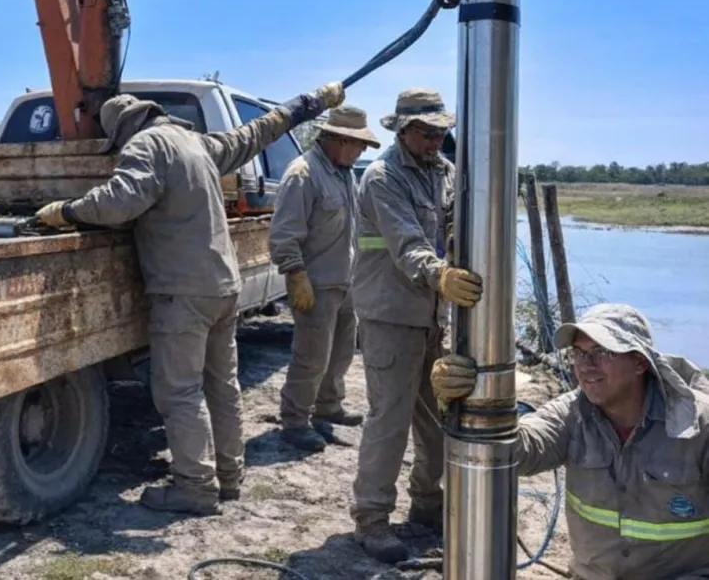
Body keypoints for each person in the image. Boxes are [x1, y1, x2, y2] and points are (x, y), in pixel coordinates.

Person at [34, 82, 345, 517]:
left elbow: (120, 202)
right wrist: (306, 104)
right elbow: (253, 134)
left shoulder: (146, 145)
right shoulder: (197, 143)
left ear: (123, 130)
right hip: (223, 286)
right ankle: (229, 475)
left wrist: (67, 211)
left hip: (182, 292)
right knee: (222, 385)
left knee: (179, 391)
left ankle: (195, 486)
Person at [431, 302, 709, 580]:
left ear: (640, 362)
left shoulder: (698, 425)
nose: (586, 366)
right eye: (579, 353)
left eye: (601, 352)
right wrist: (467, 406)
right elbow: (519, 450)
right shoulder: (571, 415)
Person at [348, 87, 484, 564]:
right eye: (427, 134)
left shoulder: (442, 172)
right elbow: (407, 243)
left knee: (434, 418)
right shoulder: (383, 177)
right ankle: (371, 519)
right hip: (390, 314)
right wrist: (441, 274)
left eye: (441, 134)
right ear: (403, 130)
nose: (435, 142)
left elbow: (452, 224)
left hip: (430, 316)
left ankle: (428, 504)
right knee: (389, 419)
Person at [269, 105, 381, 452]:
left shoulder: (344, 174)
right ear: (340, 139)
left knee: (341, 352)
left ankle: (328, 406)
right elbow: (284, 233)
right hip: (315, 284)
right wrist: (295, 273)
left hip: (345, 280)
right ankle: (295, 420)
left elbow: (356, 229)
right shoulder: (303, 174)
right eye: (359, 145)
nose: (361, 152)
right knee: (311, 357)